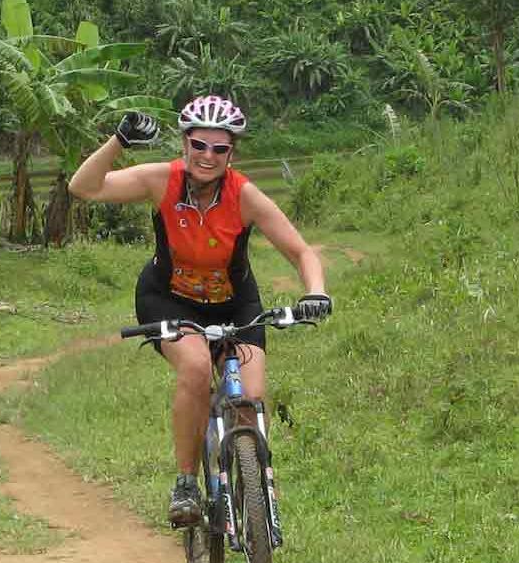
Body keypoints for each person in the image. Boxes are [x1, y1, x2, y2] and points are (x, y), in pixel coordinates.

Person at [68, 95, 333, 528]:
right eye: (198, 145)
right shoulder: (161, 181)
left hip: (235, 302)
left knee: (250, 398)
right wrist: (119, 140)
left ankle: (254, 481)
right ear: (184, 144)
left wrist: (316, 292)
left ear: (233, 153)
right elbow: (84, 187)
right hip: (168, 299)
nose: (207, 156)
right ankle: (187, 483)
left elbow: (301, 251)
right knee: (193, 367)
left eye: (219, 148)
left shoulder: (244, 196)